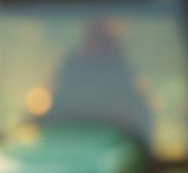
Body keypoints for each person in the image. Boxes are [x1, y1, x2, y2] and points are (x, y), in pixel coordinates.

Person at [44, 16, 154, 145]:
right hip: (70, 142)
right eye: (94, 37)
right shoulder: (71, 67)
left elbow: (141, 117)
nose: (98, 45)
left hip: (115, 144)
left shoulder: (123, 71)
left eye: (100, 39)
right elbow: (52, 106)